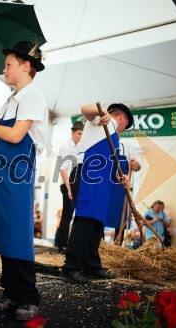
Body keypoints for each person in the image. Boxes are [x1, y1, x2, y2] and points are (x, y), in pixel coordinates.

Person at [0, 40, 48, 321]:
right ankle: (11, 294)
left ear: (26, 66)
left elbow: (16, 136)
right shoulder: (10, 100)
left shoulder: (33, 96)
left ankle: (29, 296)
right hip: (2, 169)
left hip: (19, 171)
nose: (4, 69)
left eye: (9, 64)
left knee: (18, 232)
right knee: (5, 230)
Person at [61, 103, 133, 285]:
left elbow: (111, 165)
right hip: (87, 174)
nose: (122, 130)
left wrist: (121, 177)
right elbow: (85, 108)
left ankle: (91, 265)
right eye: (125, 126)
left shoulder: (114, 137)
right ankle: (71, 266)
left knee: (97, 223)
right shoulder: (102, 121)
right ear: (122, 118)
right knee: (85, 219)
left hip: (101, 180)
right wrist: (102, 112)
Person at [54, 120, 83, 252]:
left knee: (75, 215)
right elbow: (62, 169)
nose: (80, 136)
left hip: (76, 183)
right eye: (79, 133)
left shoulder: (80, 147)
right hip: (67, 184)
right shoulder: (66, 146)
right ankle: (62, 245)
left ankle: (70, 244)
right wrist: (69, 189)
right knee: (67, 215)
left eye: (82, 134)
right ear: (72, 132)